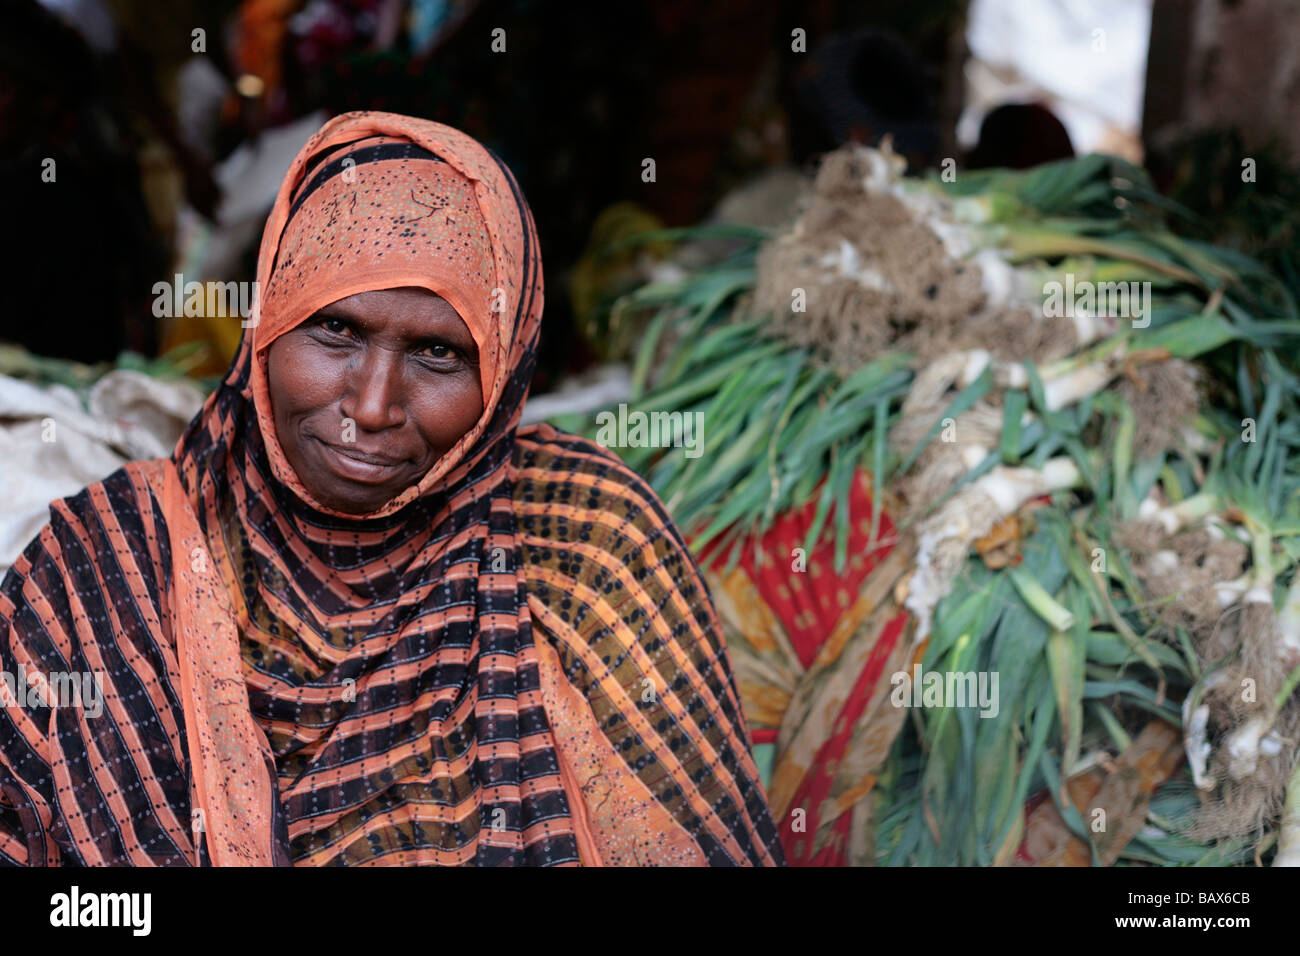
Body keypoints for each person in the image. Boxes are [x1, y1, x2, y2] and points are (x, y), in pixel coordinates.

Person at [0, 111, 785, 866]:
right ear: (267, 323)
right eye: (335, 330)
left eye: (439, 353)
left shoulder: (587, 543)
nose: (371, 406)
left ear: (507, 370)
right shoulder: (103, 568)